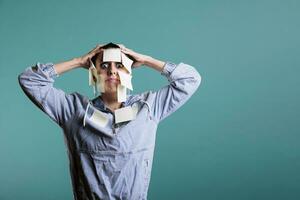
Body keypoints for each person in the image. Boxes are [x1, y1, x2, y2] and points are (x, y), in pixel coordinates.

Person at [18, 43, 202, 200]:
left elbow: (190, 79)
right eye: (104, 65)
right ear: (94, 73)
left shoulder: (149, 107)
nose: (112, 70)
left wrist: (146, 60)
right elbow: (29, 80)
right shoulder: (73, 110)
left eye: (120, 65)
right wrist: (79, 61)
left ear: (129, 73)